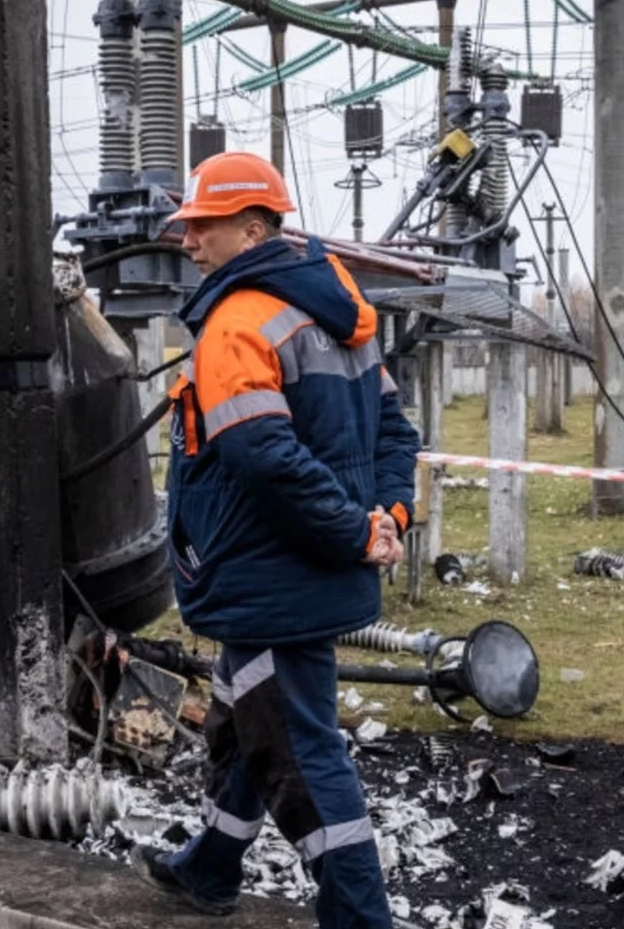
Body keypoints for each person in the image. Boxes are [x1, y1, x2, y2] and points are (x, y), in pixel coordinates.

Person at [134, 151, 420, 928]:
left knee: (297, 753)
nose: (188, 241)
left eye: (203, 226)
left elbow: (264, 457)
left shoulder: (238, 322)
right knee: (243, 718)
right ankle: (213, 867)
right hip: (303, 569)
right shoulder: (342, 315)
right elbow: (395, 432)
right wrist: (385, 519)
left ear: (252, 226)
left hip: (269, 575)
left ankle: (361, 919)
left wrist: (355, 533)